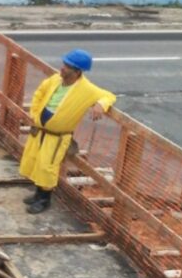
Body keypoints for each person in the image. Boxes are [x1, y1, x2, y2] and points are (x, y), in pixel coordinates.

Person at [19, 49, 116, 214]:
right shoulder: (56, 80)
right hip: (41, 129)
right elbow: (40, 92)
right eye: (64, 64)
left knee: (47, 166)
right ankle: (37, 194)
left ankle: (44, 199)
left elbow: (109, 96)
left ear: (77, 72)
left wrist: (100, 105)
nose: (62, 68)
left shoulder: (86, 89)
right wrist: (34, 113)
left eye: (67, 66)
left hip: (56, 136)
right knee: (35, 160)